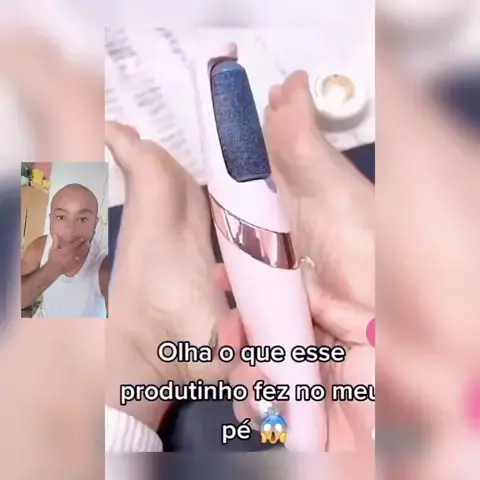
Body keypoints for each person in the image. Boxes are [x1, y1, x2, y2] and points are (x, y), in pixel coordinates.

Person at [21, 183, 109, 317]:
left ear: (95, 224)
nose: (71, 230)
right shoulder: (39, 247)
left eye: (82, 219)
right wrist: (52, 269)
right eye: (61, 217)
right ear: (51, 220)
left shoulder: (105, 265)